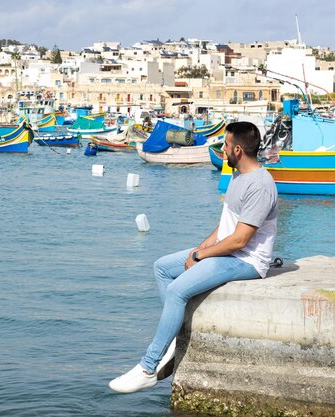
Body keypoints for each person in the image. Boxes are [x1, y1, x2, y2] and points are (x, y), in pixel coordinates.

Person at [109, 121, 279, 393]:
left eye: (224, 144)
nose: (221, 149)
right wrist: (197, 250)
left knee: (177, 290)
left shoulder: (260, 185)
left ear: (237, 149)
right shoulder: (238, 176)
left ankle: (147, 368)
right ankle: (178, 338)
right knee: (163, 267)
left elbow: (240, 240)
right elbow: (226, 225)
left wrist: (200, 256)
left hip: (247, 261)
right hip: (228, 251)